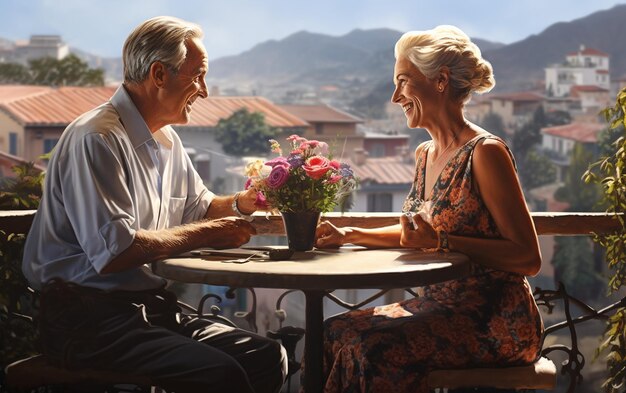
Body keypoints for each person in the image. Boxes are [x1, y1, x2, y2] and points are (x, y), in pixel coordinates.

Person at [22, 16, 286, 393]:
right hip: (87, 320)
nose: (205, 91)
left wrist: (243, 203)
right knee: (219, 375)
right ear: (159, 74)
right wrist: (208, 233)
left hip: (145, 310)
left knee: (265, 355)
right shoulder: (97, 139)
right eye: (198, 76)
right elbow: (116, 251)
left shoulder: (166, 139)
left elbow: (201, 208)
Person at [314, 25, 543, 392]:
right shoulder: (425, 154)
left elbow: (527, 257)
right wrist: (351, 234)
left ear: (440, 80)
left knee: (373, 347)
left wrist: (444, 241)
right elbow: (419, 234)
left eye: (403, 81)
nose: (394, 96)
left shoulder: (485, 152)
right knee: (332, 331)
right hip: (438, 307)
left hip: (494, 320)